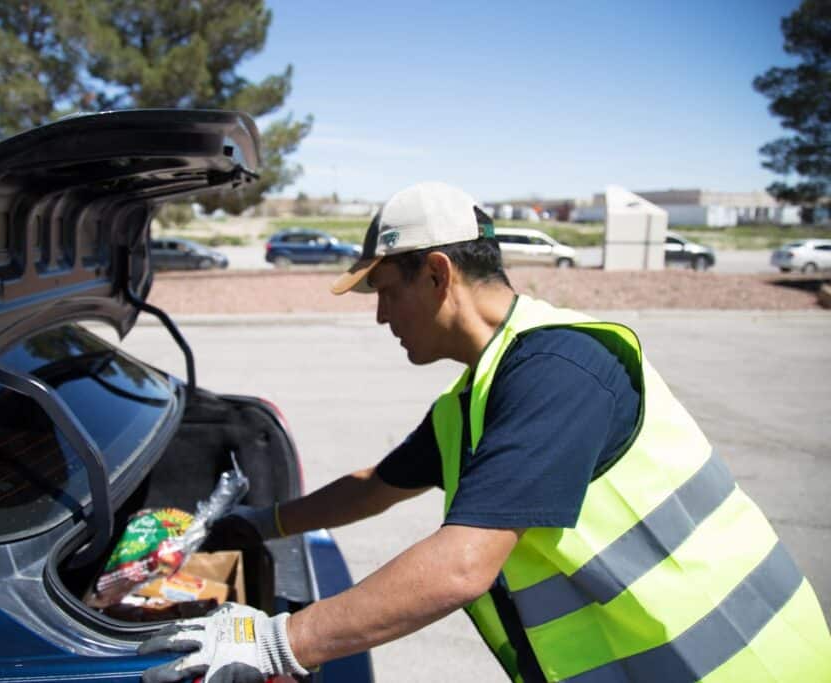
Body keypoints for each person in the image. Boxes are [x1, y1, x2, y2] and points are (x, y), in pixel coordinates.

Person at [139, 181, 831, 682]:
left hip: (737, 663)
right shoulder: (478, 395)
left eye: (386, 291)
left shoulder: (561, 368)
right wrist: (254, 525)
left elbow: (462, 564)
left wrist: (282, 639)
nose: (381, 317)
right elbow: (375, 487)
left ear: (437, 273)